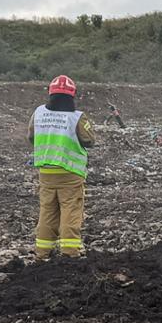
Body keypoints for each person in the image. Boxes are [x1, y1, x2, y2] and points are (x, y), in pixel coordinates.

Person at [31, 75, 96, 258]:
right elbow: (89, 140)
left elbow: (31, 136)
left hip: (46, 173)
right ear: (72, 96)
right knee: (70, 212)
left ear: (50, 94)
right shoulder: (77, 118)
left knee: (47, 211)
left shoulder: (39, 113)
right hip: (70, 172)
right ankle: (69, 254)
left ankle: (42, 253)